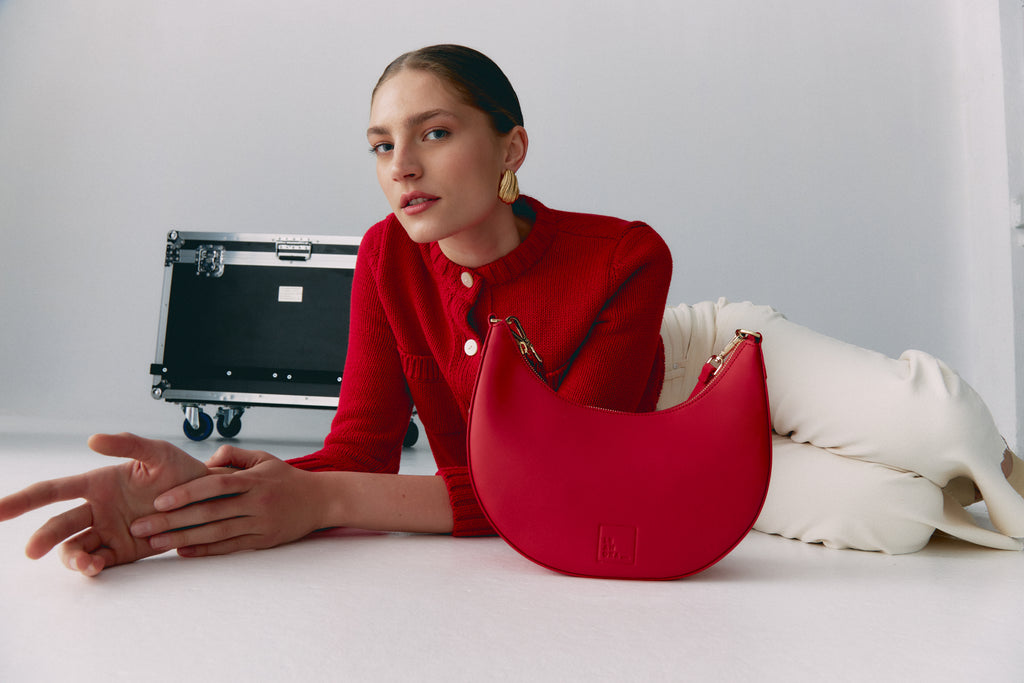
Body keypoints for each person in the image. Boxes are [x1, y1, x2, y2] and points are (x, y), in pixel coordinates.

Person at [2, 45, 1023, 578]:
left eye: (433, 132)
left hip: (695, 368)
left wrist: (322, 502)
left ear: (510, 147)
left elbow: (564, 464)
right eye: (380, 144)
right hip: (645, 466)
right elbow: (359, 451)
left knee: (938, 423)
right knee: (893, 518)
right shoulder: (384, 259)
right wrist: (195, 500)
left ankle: (1006, 481)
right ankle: (938, 493)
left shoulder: (626, 253)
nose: (400, 165)